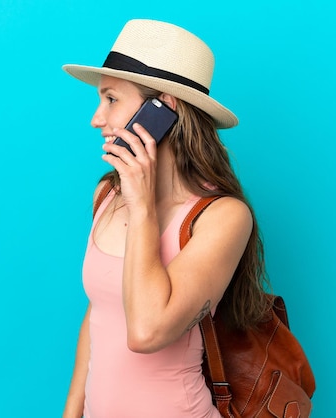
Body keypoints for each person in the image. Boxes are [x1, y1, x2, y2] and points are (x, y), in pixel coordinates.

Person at [61, 19, 270, 418]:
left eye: (110, 99)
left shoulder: (223, 217)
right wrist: (73, 411)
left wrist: (142, 208)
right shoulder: (106, 194)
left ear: (163, 109)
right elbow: (100, 313)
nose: (96, 118)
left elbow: (146, 331)